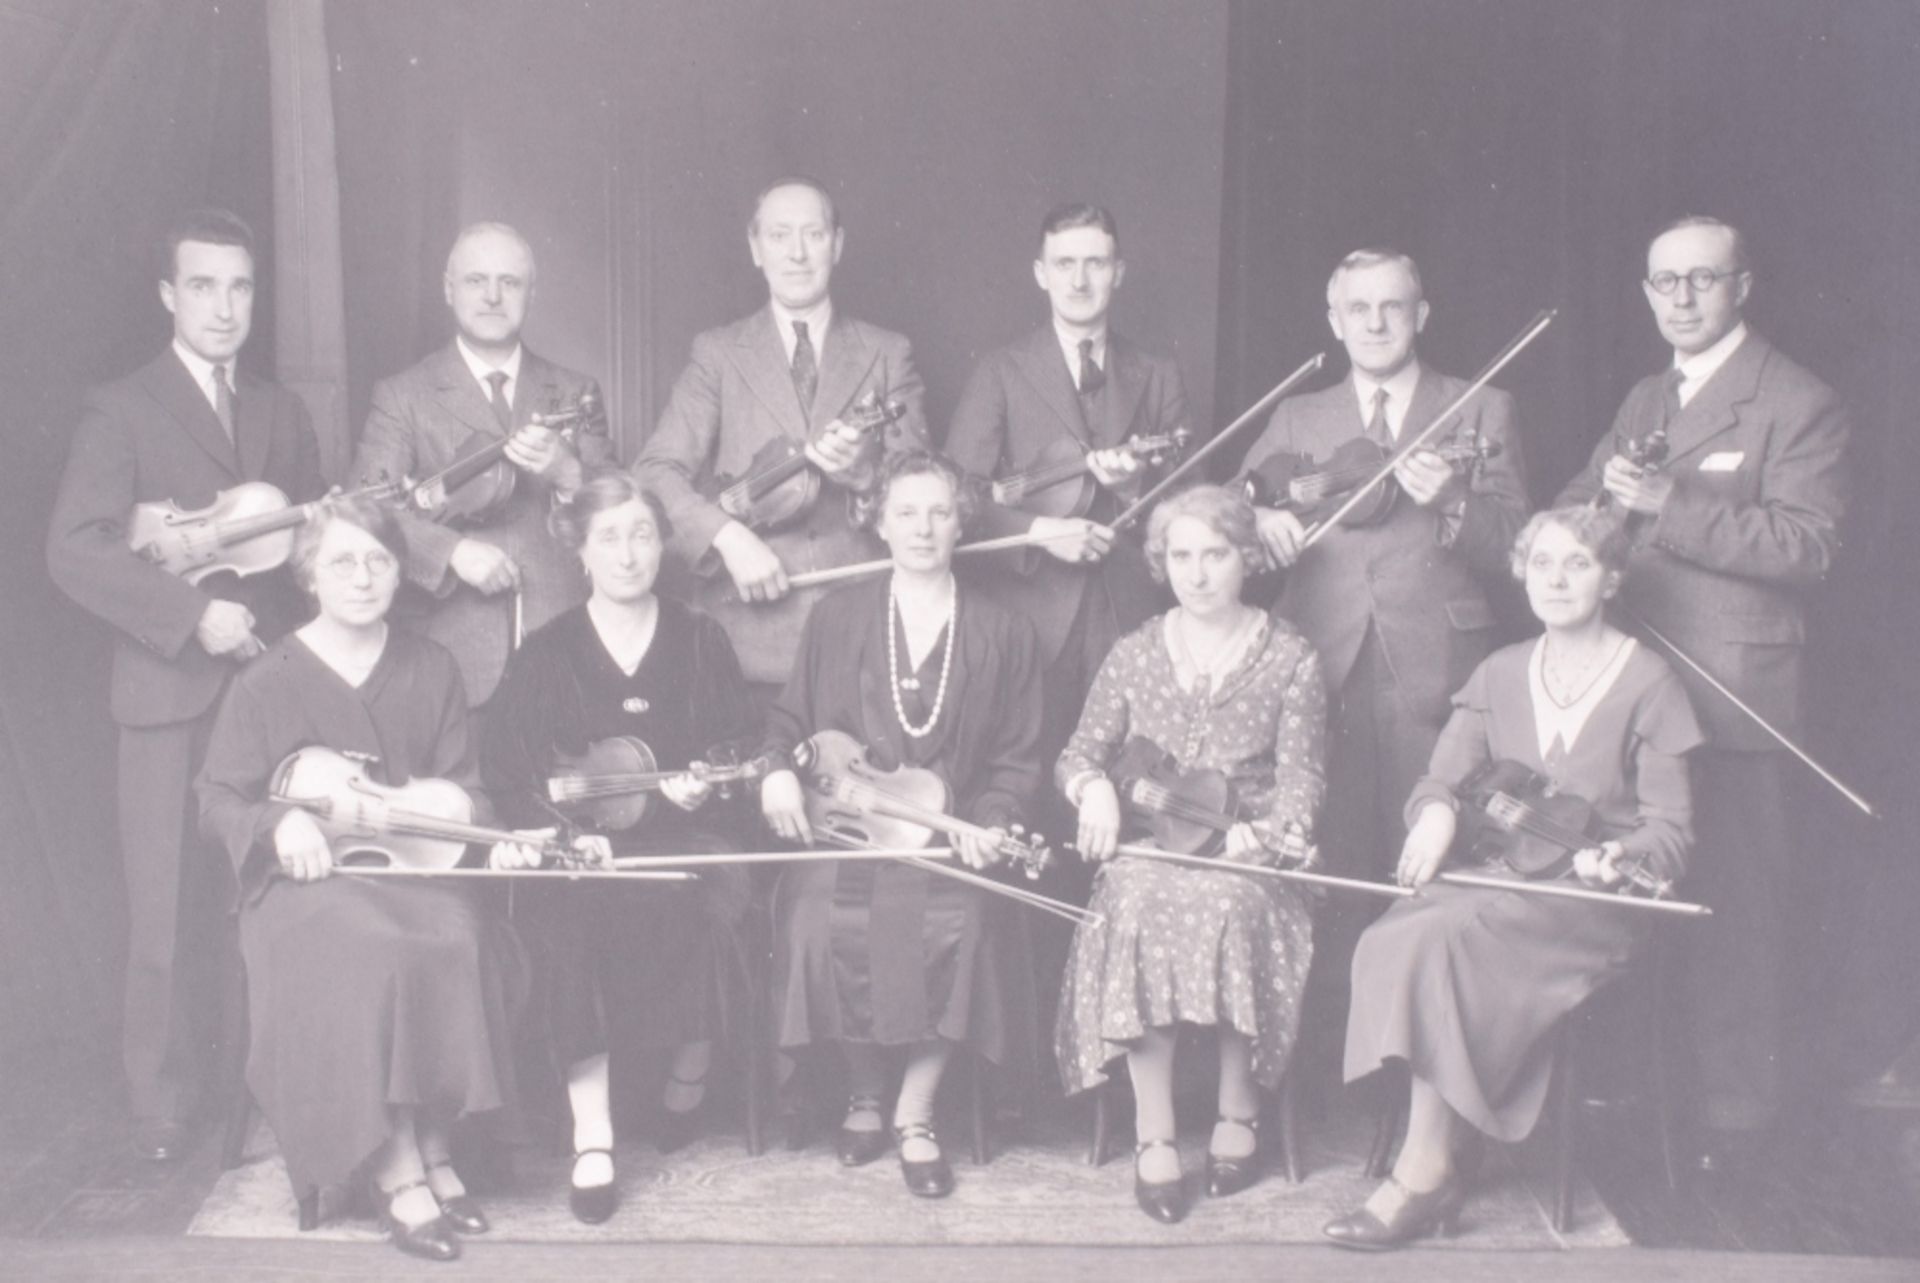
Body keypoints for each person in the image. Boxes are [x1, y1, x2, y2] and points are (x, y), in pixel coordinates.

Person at [1555, 216, 1849, 1173]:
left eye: (1702, 282)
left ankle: (1736, 1129)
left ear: (1743, 287)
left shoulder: (1797, 400)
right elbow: (1582, 509)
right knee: (1631, 895)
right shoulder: (1648, 394)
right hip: (1633, 691)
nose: (1680, 300)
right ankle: (1645, 1100)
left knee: (1734, 913)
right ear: (1645, 292)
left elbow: (1808, 546)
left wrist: (1667, 508)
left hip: (1731, 698)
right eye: (1664, 283)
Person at [1325, 504, 1702, 1250]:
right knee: (1398, 934)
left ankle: (1425, 1170)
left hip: (1588, 902)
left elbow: (1671, 831)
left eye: (1578, 564)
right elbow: (1440, 781)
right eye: (1541, 564)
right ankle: (1445, 1139)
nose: (1556, 580)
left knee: (1447, 941)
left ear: (1612, 577)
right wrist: (1433, 816)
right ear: (1521, 574)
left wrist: (1622, 857)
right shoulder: (1498, 671)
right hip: (1494, 879)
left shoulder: (1650, 681)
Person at [196, 499, 553, 1263]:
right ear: (308, 577)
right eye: (341, 562)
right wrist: (276, 825)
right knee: (372, 945)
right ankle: (392, 1167)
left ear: (400, 571)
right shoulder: (266, 679)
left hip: (414, 873)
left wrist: (476, 830)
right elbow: (218, 796)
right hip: (307, 891)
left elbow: (469, 791)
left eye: (379, 562)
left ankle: (433, 1142)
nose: (362, 578)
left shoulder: (432, 666)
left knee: (458, 934)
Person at [46, 208, 323, 1163]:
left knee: (257, 893)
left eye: (240, 286)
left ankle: (255, 1093)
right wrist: (188, 613)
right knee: (164, 903)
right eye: (202, 285)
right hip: (165, 692)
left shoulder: (283, 412)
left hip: (261, 695)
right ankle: (161, 1106)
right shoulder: (119, 407)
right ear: (169, 295)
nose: (224, 306)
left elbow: (303, 562)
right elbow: (73, 550)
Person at [1237, 247, 1529, 1029]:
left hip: (1435, 660)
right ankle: (1331, 1051)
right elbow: (1232, 518)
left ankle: (1415, 1051)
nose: (1374, 322)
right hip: (1321, 654)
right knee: (1327, 850)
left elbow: (1519, 548)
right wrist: (1259, 518)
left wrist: (1457, 499)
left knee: (1427, 851)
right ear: (1334, 322)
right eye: (1357, 309)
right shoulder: (1298, 417)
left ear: (1420, 315)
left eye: (1391, 306)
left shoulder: (1481, 407)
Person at [758, 450, 1043, 1199]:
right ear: (878, 522)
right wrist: (777, 769)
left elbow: (1017, 760)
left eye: (940, 511)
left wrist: (990, 821)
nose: (924, 527)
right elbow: (788, 723)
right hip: (850, 831)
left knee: (963, 918)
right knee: (818, 916)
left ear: (962, 522)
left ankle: (915, 1110)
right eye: (906, 512)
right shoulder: (839, 616)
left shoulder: (1003, 630)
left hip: (946, 836)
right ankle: (863, 1091)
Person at [481, 471, 759, 1223]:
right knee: (565, 920)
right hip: (581, 845)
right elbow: (510, 771)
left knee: (716, 891)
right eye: (610, 537)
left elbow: (733, 745)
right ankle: (593, 1131)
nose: (629, 553)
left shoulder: (701, 637)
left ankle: (688, 1075)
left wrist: (708, 781)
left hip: (679, 832)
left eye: (642, 533)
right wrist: (564, 835)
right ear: (579, 550)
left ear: (663, 543)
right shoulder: (546, 650)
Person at [1055, 484, 1325, 1224]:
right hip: (1151, 849)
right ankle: (1155, 1131)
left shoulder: (1291, 656)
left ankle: (1238, 1112)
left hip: (1250, 851)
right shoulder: (1135, 650)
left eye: (1216, 554)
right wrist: (1094, 792)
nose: (1198, 573)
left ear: (1247, 559)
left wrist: (1276, 833)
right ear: (1160, 561)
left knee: (1233, 898)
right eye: (1181, 555)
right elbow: (1079, 751)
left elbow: (1303, 776)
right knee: (1139, 900)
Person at [635, 177, 929, 692]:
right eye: (779, 236)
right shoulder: (718, 353)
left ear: (837, 245)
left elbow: (925, 484)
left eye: (813, 235)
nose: (796, 253)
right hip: (749, 637)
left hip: (865, 637)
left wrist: (865, 475)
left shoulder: (887, 352)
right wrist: (728, 538)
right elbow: (655, 472)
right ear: (755, 248)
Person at [945, 202, 1189, 793]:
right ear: (1040, 273)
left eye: (1095, 263)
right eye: (1065, 264)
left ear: (1119, 272)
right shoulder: (1000, 371)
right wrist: (1039, 533)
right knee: (1030, 783)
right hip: (1030, 612)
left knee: (1135, 781)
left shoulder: (1157, 373)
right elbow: (957, 499)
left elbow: (1188, 506)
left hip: (1131, 608)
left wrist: (1135, 488)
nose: (1079, 281)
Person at [351, 221, 611, 709]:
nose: (493, 296)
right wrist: (450, 552)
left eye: (509, 282)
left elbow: (620, 509)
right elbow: (365, 512)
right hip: (451, 655)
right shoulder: (403, 395)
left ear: (531, 294)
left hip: (563, 649)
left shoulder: (577, 391)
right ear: (449, 290)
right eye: (476, 280)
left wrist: (570, 475)